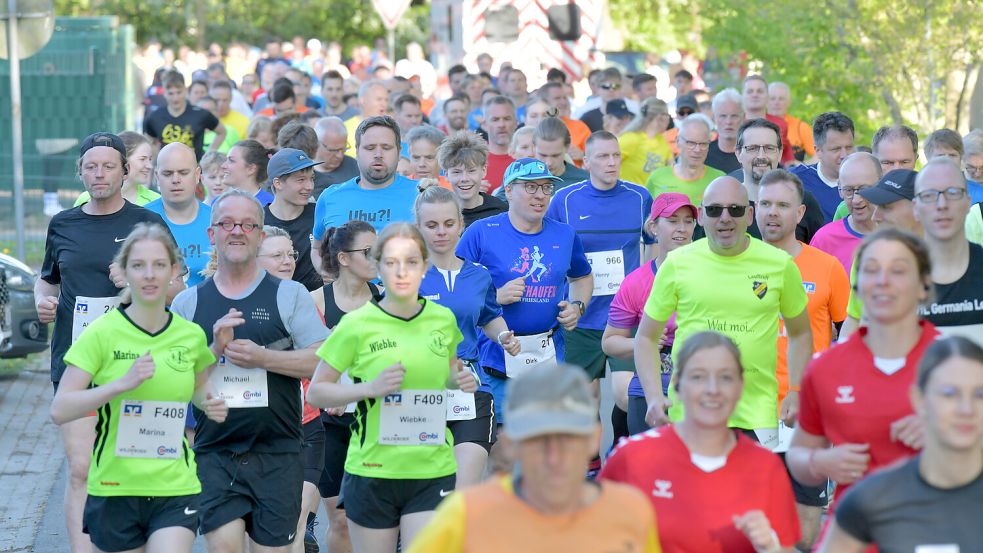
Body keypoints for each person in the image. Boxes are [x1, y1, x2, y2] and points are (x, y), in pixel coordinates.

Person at [50, 223, 237, 553]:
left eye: (159, 265)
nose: (149, 275)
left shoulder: (189, 335)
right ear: (124, 272)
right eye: (139, 266)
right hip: (115, 487)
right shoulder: (102, 333)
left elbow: (195, 386)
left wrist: (209, 403)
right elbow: (61, 408)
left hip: (174, 484)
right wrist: (120, 385)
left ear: (175, 270)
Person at [170, 188, 328, 553]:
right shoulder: (188, 303)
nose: (236, 231)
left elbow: (321, 360)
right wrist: (213, 351)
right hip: (215, 451)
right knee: (224, 546)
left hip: (279, 452)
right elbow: (174, 376)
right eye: (226, 223)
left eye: (247, 224)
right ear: (212, 234)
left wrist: (263, 358)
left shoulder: (289, 295)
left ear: (259, 234)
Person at [36, 132, 173, 553]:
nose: (99, 174)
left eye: (108, 166)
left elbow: (177, 288)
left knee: (135, 466)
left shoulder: (146, 224)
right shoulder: (63, 223)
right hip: (77, 362)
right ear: (80, 172)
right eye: (91, 166)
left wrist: (136, 283)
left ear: (125, 171)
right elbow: (48, 278)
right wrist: (43, 300)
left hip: (137, 362)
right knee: (80, 469)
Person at [306, 223, 478, 553]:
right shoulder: (356, 325)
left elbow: (448, 372)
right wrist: (368, 388)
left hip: (432, 467)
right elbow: (317, 392)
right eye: (391, 262)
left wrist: (460, 378)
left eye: (411, 261)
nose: (401, 271)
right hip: (372, 471)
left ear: (425, 266)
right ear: (379, 267)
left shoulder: (442, 319)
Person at [786, 228, 940, 547]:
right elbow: (799, 454)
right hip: (852, 538)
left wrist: (945, 436)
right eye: (871, 270)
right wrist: (820, 463)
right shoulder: (826, 368)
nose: (882, 281)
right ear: (857, 287)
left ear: (924, 285)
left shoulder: (951, 362)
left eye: (898, 270)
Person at [407, 364, 663, 553]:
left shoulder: (630, 512)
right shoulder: (466, 515)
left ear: (594, 439)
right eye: (537, 442)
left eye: (568, 439)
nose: (554, 457)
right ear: (510, 444)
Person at [633, 177, 813, 436]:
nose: (725, 218)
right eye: (715, 210)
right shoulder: (676, 263)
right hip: (690, 412)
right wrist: (653, 396)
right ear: (702, 216)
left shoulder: (780, 264)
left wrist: (796, 391)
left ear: (749, 215)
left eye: (735, 210)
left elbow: (801, 333)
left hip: (757, 415)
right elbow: (646, 338)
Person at [601, 332, 801, 553]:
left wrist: (771, 547)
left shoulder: (766, 467)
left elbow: (785, 547)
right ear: (677, 384)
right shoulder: (632, 458)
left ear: (740, 387)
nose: (712, 389)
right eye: (698, 376)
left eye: (725, 377)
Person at [755, 168, 851, 550]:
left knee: (806, 517)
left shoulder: (827, 268)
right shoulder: (734, 263)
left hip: (806, 412)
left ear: (799, 213)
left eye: (782, 205)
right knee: (754, 514)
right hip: (749, 407)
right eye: (764, 204)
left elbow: (848, 335)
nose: (772, 212)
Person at [817, 336, 983, 552]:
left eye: (979, 394)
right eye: (949, 394)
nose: (966, 409)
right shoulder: (873, 498)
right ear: (919, 400)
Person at [457, 158, 593, 421]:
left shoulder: (565, 234)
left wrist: (578, 306)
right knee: (504, 443)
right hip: (497, 355)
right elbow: (455, 289)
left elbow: (582, 277)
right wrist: (495, 297)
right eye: (530, 187)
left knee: (545, 439)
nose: (540, 195)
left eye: (546, 188)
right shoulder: (481, 233)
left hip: (549, 353)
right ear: (508, 190)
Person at [546, 131, 653, 453]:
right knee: (583, 400)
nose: (611, 162)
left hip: (625, 317)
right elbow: (553, 249)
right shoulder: (564, 199)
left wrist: (647, 294)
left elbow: (651, 247)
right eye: (603, 156)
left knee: (626, 394)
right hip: (581, 317)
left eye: (616, 155)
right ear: (586, 161)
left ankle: (621, 451)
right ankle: (592, 463)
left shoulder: (639, 197)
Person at [415, 187, 521, 487]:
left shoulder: (478, 275)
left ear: (461, 225)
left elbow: (488, 316)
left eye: (449, 224)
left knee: (462, 492)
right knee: (426, 492)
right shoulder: (406, 275)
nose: (441, 232)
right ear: (418, 227)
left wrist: (503, 337)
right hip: (418, 390)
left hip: (469, 387)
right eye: (431, 225)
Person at [602, 193, 696, 435]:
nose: (682, 229)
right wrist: (645, 342)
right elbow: (610, 342)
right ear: (654, 227)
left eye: (688, 221)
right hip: (650, 388)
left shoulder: (711, 274)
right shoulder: (636, 282)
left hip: (699, 388)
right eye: (673, 220)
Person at [310, 220, 378, 553]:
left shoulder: (386, 302)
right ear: (344, 258)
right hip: (331, 425)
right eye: (368, 252)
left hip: (378, 421)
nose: (377, 258)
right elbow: (303, 363)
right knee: (340, 520)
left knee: (377, 517)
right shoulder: (316, 302)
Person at [254, 225, 323, 553]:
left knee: (294, 526)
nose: (287, 261)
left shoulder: (305, 301)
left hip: (306, 425)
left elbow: (326, 359)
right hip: (254, 429)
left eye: (290, 254)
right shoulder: (232, 303)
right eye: (276, 255)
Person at [311, 116, 420, 270]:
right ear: (357, 151)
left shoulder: (421, 194)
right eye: (370, 148)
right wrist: (325, 271)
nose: (378, 154)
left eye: (386, 147)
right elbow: (316, 249)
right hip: (346, 292)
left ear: (399, 152)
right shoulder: (330, 197)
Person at [910, 157, 983, 339]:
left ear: (968, 202)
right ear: (915, 208)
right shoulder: (897, 277)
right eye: (929, 195)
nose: (942, 205)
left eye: (953, 193)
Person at [735, 118, 825, 243]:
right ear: (738, 153)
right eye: (752, 148)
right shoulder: (724, 204)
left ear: (780, 153)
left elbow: (818, 253)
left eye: (769, 148)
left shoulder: (803, 200)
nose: (761, 156)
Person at [145, 143, 213, 287]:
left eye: (183, 173)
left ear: (197, 175)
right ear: (157, 176)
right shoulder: (140, 220)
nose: (176, 180)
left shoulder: (218, 221)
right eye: (167, 173)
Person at [809, 152, 881, 274]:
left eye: (864, 189)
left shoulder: (899, 235)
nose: (856, 200)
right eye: (848, 190)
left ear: (880, 185)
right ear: (839, 190)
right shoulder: (824, 240)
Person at [264, 148, 324, 292]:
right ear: (278, 183)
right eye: (301, 180)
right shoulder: (258, 221)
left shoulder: (320, 215)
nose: (309, 186)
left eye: (311, 178)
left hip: (316, 305)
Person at [144, 70, 226, 160]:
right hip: (167, 170)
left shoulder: (200, 114)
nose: (175, 98)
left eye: (179, 92)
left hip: (194, 169)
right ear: (164, 93)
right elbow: (149, 140)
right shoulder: (155, 116)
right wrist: (157, 159)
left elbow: (222, 132)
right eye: (171, 93)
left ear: (185, 90)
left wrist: (208, 155)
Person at [790, 112, 857, 222]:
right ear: (818, 151)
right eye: (836, 149)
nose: (844, 155)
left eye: (849, 147)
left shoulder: (868, 182)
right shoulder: (795, 180)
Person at [645, 114, 724, 204]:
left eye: (703, 144)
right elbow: (645, 215)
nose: (697, 149)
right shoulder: (657, 177)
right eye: (691, 143)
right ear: (678, 142)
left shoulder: (719, 180)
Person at [437, 130, 507, 227]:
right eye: (457, 172)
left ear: (484, 170)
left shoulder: (501, 212)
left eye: (471, 171)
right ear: (446, 174)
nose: (464, 178)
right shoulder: (438, 213)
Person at [74, 132, 161, 207]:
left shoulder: (156, 201)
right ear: (123, 160)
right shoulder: (85, 199)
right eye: (142, 159)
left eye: (150, 159)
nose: (149, 166)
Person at [618, 97, 673, 186]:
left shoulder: (661, 140)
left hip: (652, 198)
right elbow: (604, 163)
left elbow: (671, 170)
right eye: (668, 115)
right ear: (660, 117)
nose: (670, 120)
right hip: (629, 197)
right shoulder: (630, 139)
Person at [741, 75, 793, 166]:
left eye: (760, 91)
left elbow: (788, 161)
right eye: (750, 91)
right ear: (742, 95)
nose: (755, 94)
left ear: (768, 96)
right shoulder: (732, 123)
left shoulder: (779, 124)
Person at [312, 116, 360, 199]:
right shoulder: (303, 169)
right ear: (317, 143)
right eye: (333, 150)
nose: (339, 155)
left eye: (343, 149)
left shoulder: (356, 167)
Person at [767, 82, 815, 162]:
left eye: (781, 99)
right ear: (765, 101)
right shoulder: (756, 126)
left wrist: (802, 167)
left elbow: (820, 155)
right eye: (772, 98)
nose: (777, 102)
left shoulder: (800, 127)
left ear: (788, 102)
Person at [481, 95, 519, 192]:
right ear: (484, 125)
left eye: (507, 118)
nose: (501, 125)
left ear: (516, 122)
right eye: (495, 119)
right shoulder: (474, 160)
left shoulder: (528, 158)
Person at [343, 80, 391, 156]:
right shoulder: (345, 129)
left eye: (386, 100)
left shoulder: (391, 129)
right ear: (362, 100)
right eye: (379, 99)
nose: (384, 104)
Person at [221, 139, 275, 205]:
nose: (223, 166)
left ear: (251, 169)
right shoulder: (220, 202)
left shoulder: (270, 206)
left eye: (231, 160)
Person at [705, 89, 744, 174]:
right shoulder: (703, 154)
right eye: (723, 116)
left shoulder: (754, 154)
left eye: (734, 116)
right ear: (714, 118)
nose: (728, 122)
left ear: (743, 118)